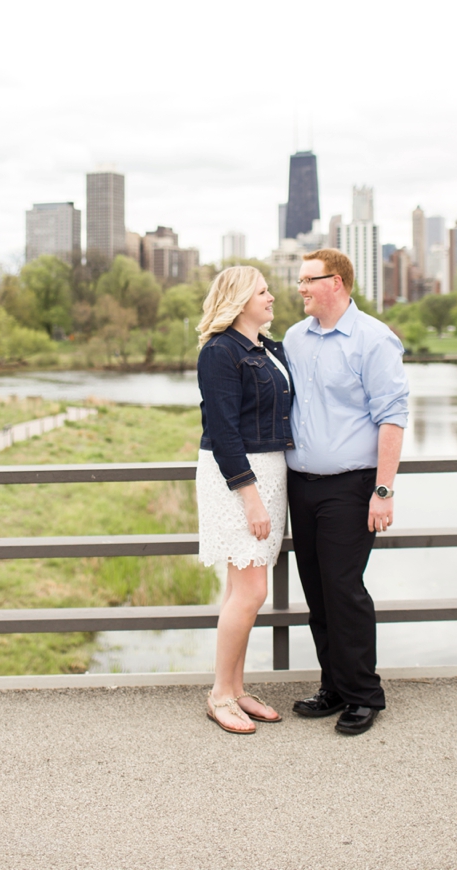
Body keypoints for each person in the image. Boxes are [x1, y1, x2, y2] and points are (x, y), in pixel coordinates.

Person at [281, 248, 409, 736]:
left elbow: (392, 416)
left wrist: (383, 489)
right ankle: (333, 686)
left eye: (308, 280)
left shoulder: (374, 340)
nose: (300, 289)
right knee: (317, 592)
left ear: (336, 282)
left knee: (343, 589)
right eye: (298, 280)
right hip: (302, 486)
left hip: (352, 487)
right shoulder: (294, 338)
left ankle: (363, 695)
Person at [194, 265, 294, 734]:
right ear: (239, 299)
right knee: (252, 590)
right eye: (263, 291)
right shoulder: (219, 352)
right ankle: (219, 694)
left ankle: (235, 688)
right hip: (240, 480)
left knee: (243, 589)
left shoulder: (266, 348)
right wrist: (251, 498)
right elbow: (224, 432)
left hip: (269, 475)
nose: (272, 297)